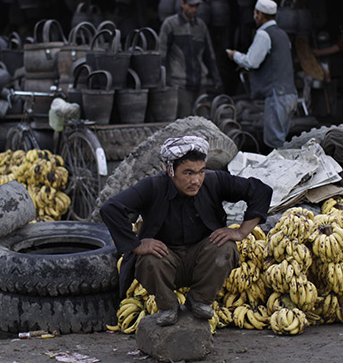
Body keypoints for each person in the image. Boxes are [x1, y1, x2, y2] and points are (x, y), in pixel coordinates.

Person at [100, 135, 271, 327]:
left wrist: (241, 232)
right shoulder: (153, 186)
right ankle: (168, 306)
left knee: (226, 248)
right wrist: (137, 244)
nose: (196, 180)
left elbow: (260, 190)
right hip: (166, 258)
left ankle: (199, 300)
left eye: (201, 171)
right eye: (188, 173)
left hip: (202, 257)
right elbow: (111, 208)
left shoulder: (214, 181)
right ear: (170, 170)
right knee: (147, 260)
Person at [226, 0, 298, 150]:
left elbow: (252, 62)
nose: (254, 16)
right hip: (289, 94)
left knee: (275, 143)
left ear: (259, 15)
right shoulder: (283, 34)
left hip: (276, 95)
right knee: (281, 140)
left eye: (255, 13)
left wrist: (235, 55)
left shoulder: (264, 34)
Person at [158, 0, 223, 117]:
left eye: (197, 6)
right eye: (191, 5)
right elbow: (162, 54)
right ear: (182, 3)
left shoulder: (201, 26)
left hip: (200, 82)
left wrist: (216, 79)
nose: (194, 9)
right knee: (184, 122)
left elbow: (209, 55)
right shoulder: (171, 24)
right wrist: (162, 80)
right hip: (179, 83)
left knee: (203, 121)